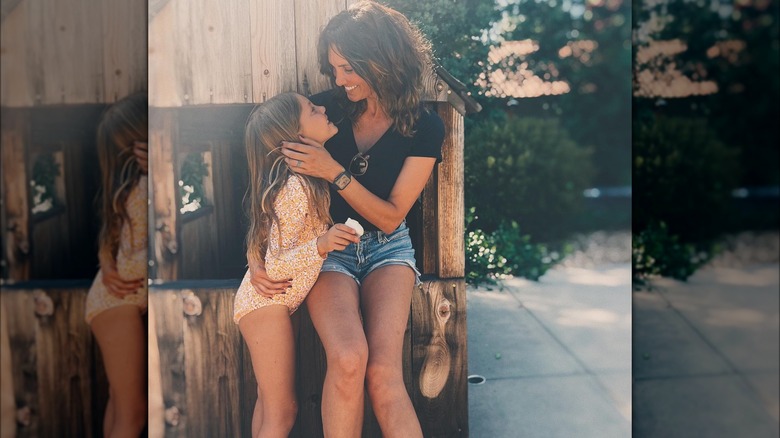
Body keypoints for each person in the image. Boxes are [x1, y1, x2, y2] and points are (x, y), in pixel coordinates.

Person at [249, 2, 445, 437]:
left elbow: (392, 217)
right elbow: (266, 185)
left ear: (382, 59)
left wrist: (332, 172)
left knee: (382, 373)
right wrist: (255, 252)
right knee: (348, 358)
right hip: (326, 249)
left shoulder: (425, 127)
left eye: (348, 68)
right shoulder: (319, 112)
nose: (338, 80)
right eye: (333, 68)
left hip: (388, 248)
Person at [233, 92, 361, 438]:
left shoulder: (304, 182)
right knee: (282, 412)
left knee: (269, 406)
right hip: (265, 304)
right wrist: (321, 244)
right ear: (297, 136)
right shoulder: (295, 188)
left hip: (269, 305)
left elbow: (267, 247)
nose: (322, 108)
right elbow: (275, 266)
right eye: (311, 109)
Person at [85, 92, 149, 438]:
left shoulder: (142, 183)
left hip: (117, 300)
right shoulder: (137, 185)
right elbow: (123, 248)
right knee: (133, 414)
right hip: (115, 301)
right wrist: (108, 264)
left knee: (120, 407)